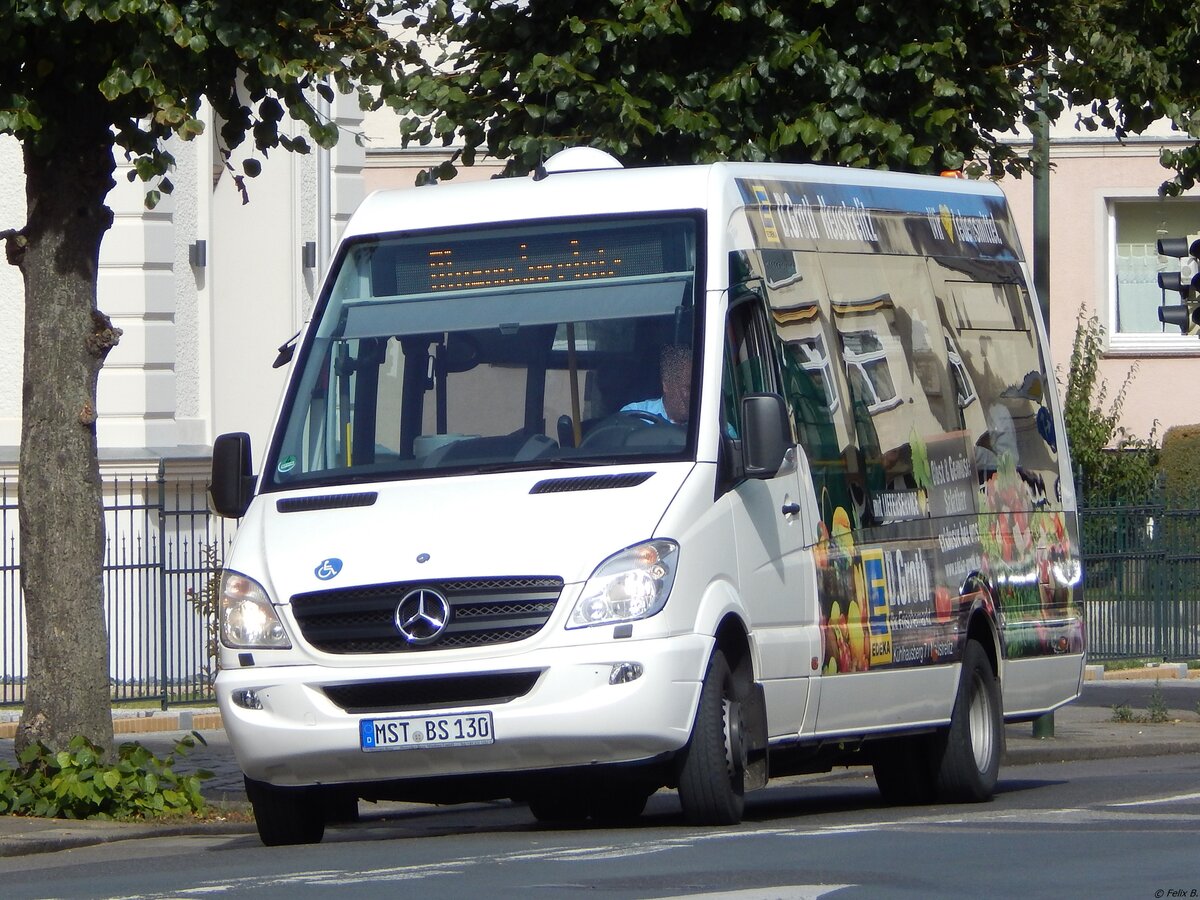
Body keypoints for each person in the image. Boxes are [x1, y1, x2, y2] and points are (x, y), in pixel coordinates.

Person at [621, 344, 692, 424]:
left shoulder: (705, 422)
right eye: (688, 388)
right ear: (666, 385)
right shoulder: (634, 415)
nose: (692, 395)